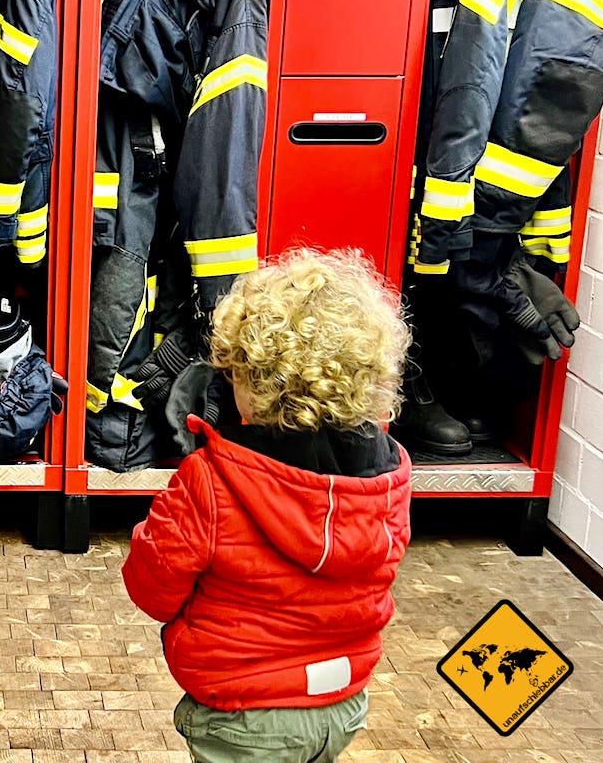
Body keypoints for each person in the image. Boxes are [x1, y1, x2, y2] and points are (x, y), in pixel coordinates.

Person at [122, 247, 413, 763]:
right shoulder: (388, 478)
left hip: (243, 712)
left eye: (235, 373)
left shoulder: (210, 482)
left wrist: (159, 525)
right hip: (341, 702)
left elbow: (153, 591)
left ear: (256, 385)